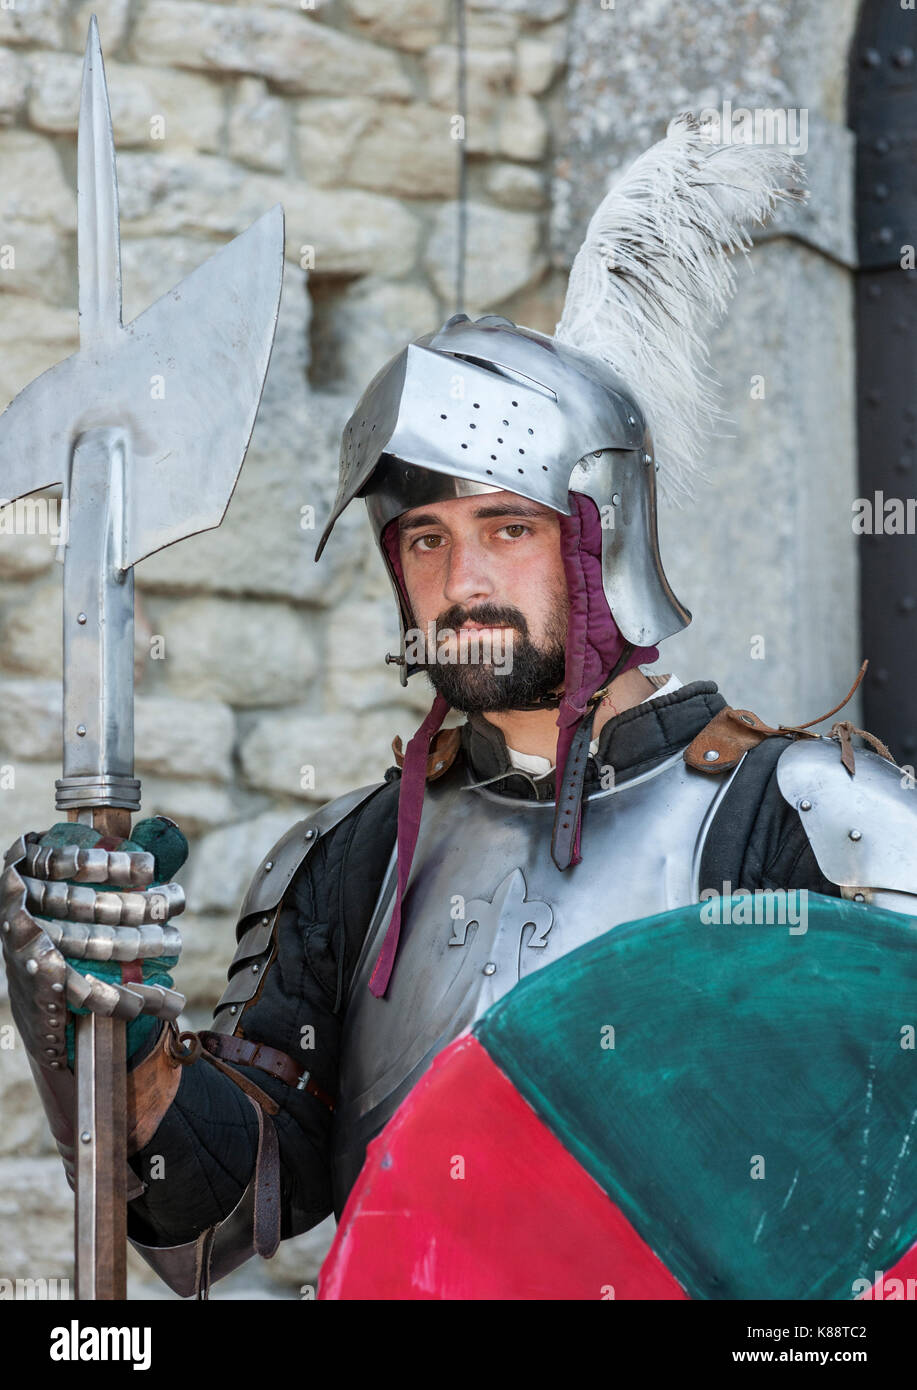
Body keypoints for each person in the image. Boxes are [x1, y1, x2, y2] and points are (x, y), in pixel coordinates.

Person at [4, 117, 915, 1300]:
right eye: (423, 538)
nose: (461, 579)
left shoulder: (815, 824)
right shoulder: (354, 858)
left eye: (507, 527)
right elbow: (216, 1214)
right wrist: (112, 1028)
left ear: (602, 539)